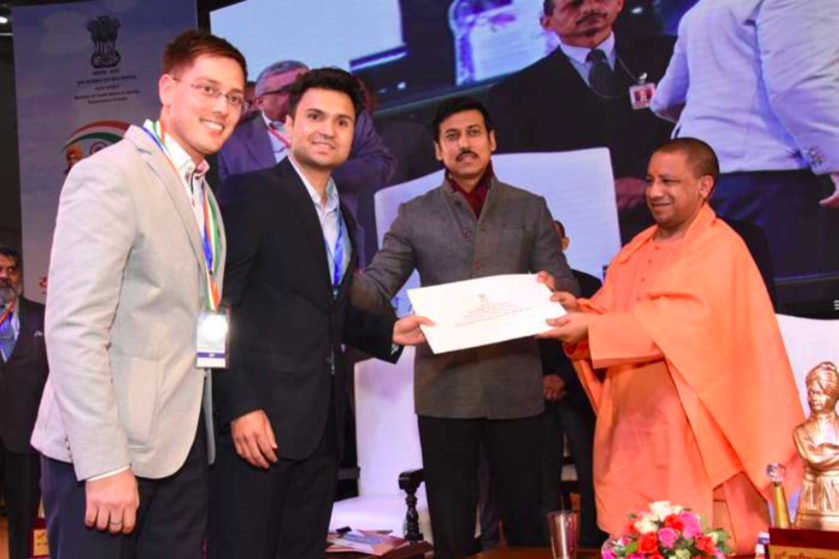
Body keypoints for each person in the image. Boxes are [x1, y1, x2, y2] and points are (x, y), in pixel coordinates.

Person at [31, 30, 246, 559]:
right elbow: (74, 327)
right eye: (208, 89)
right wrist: (104, 463)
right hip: (107, 456)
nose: (222, 108)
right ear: (167, 89)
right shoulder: (109, 174)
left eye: (235, 97)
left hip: (181, 450)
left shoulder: (202, 191)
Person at [539, 138, 803, 554]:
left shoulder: (720, 247)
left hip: (695, 429)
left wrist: (591, 326)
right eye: (649, 180)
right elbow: (608, 311)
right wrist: (576, 310)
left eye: (668, 181)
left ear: (704, 186)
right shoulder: (636, 249)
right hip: (634, 426)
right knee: (637, 537)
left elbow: (678, 319)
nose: (654, 192)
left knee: (700, 538)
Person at [208, 68, 429, 559]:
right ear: (288, 125)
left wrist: (389, 332)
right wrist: (238, 406)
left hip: (321, 429)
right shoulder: (248, 193)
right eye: (315, 117)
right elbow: (215, 308)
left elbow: (326, 311)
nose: (328, 130)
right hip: (256, 428)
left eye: (342, 122)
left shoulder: (342, 216)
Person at [351, 96, 580, 559]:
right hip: (444, 388)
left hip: (516, 384)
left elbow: (563, 279)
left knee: (526, 520)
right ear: (438, 150)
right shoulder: (415, 213)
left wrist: (556, 290)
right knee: (452, 523)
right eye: (452, 137)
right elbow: (376, 285)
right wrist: (336, 281)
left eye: (474, 133)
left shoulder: (528, 207)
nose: (464, 144)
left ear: (492, 140)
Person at [650, 0, 839, 280]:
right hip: (772, 183)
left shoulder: (703, 9)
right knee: (794, 299)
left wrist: (721, 119)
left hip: (709, 184)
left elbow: (665, 100)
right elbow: (800, 86)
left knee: (730, 299)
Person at [488, 0, 675, 241]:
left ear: (619, 3)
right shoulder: (515, 95)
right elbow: (522, 173)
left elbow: (692, 126)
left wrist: (647, 181)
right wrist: (598, 194)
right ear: (547, 22)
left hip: (676, 210)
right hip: (586, 232)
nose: (588, 8)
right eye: (573, 4)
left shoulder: (667, 54)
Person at [0, 247, 49, 559]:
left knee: (23, 520)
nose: (4, 276)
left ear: (19, 274)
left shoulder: (42, 316)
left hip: (25, 437)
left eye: (11, 269)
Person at [793, 362, 839, 531]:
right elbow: (814, 458)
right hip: (811, 505)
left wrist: (825, 450)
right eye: (811, 393)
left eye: (819, 393)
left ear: (832, 395)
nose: (813, 398)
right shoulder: (801, 431)